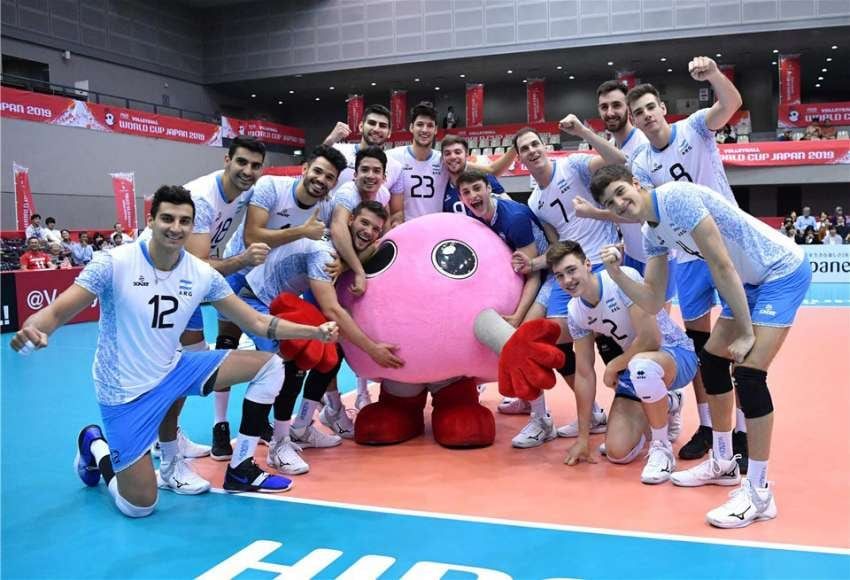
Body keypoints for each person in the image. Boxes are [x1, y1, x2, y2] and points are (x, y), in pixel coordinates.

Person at [9, 185, 339, 518]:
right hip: (125, 391)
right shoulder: (114, 262)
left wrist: (312, 332)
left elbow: (254, 321)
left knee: (271, 366)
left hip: (174, 369)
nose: (176, 227)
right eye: (167, 218)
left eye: (184, 221)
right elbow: (57, 311)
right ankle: (95, 445)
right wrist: (37, 328)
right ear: (150, 221)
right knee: (137, 506)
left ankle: (240, 467)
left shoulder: (201, 274)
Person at [591, 164, 811, 528]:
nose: (619, 203)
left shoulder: (676, 198)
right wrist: (614, 274)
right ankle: (724, 461)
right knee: (711, 360)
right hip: (749, 282)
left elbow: (721, 264)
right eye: (610, 203)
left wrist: (744, 331)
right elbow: (652, 299)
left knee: (750, 375)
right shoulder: (652, 234)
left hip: (780, 271)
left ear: (635, 183)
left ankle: (759, 492)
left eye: (620, 192)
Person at [626, 56, 747, 465]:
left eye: (649, 108)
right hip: (688, 254)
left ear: (661, 108)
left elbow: (730, 105)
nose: (645, 116)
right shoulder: (642, 163)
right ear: (636, 122)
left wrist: (713, 74)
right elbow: (640, 207)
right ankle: (710, 425)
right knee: (700, 346)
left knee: (738, 341)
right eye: (637, 114)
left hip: (728, 246)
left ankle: (743, 429)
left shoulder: (694, 128)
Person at [239, 201, 403, 475]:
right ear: (349, 221)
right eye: (364, 223)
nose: (369, 231)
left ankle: (301, 426)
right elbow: (332, 310)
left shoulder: (339, 249)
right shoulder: (323, 253)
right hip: (258, 301)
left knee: (331, 355)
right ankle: (278, 446)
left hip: (285, 301)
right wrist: (372, 349)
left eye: (376, 229)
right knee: (285, 366)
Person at [211, 144, 347, 459]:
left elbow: (331, 238)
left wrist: (339, 261)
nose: (322, 179)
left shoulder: (324, 208)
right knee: (227, 347)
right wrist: (302, 231)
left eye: (329, 177)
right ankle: (220, 427)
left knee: (277, 357)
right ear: (304, 169)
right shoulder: (271, 187)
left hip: (272, 288)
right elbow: (252, 236)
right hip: (238, 272)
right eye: (317, 171)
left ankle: (265, 425)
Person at [139, 135, 270, 460]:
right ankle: (160, 439)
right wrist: (242, 260)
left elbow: (295, 186)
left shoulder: (244, 193)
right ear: (227, 161)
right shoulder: (204, 199)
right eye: (241, 162)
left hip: (183, 282)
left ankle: (167, 435)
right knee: (177, 364)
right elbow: (199, 268)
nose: (248, 170)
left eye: (255, 165)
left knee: (189, 361)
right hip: (158, 279)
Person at [503, 117, 626, 446]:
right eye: (524, 149)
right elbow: (558, 248)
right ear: (519, 158)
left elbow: (618, 160)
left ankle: (641, 404)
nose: (531, 151)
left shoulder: (573, 166)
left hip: (600, 265)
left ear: (544, 147)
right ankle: (544, 416)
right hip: (566, 272)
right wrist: (533, 262)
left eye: (534, 144)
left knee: (611, 340)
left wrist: (584, 133)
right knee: (529, 337)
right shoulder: (534, 202)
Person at [548, 241, 695, 484]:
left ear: (587, 265)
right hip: (637, 366)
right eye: (559, 276)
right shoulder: (575, 311)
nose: (567, 280)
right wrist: (583, 438)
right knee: (618, 453)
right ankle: (668, 402)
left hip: (674, 353)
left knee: (642, 367)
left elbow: (650, 338)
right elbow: (584, 373)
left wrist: (613, 366)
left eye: (571, 270)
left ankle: (662, 449)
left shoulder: (622, 278)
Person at [457, 169, 549, 328]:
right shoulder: (474, 216)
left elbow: (534, 276)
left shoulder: (514, 220)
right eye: (466, 192)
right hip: (520, 273)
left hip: (548, 274)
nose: (473, 195)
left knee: (524, 330)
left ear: (489, 189)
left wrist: (517, 317)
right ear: (461, 199)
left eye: (477, 188)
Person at [322, 104, 403, 196]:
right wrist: (330, 140)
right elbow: (312, 169)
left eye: (382, 125)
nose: (376, 129)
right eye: (372, 123)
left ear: (389, 133)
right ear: (361, 126)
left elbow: (395, 209)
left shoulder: (396, 167)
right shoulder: (337, 150)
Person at [441, 134, 515, 216]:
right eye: (447, 153)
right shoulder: (443, 189)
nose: (453, 156)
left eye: (457, 152)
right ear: (442, 157)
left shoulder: (485, 178)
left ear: (466, 154)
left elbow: (512, 209)